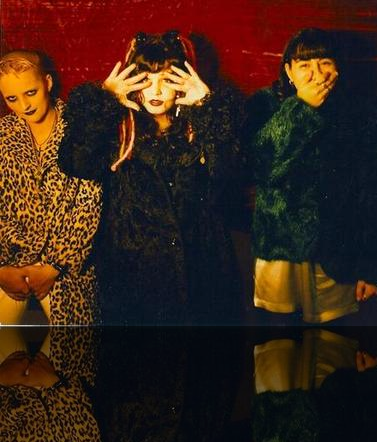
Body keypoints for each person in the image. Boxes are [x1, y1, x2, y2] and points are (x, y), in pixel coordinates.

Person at [59, 31, 241, 325]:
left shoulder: (198, 126)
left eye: (166, 80)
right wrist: (104, 99)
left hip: (200, 266)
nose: (155, 91)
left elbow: (228, 177)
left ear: (184, 80)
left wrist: (207, 106)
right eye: (145, 80)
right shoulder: (119, 127)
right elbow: (76, 164)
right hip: (134, 269)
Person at [244, 28, 377, 323]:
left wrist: (372, 267)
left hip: (340, 253)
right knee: (277, 342)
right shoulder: (264, 105)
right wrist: (301, 108)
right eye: (304, 65)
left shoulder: (361, 112)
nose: (316, 74)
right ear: (289, 71)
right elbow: (262, 168)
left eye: (325, 62)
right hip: (279, 253)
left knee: (335, 342)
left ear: (338, 67)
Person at [0, 50, 102, 325]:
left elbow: (89, 204)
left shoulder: (79, 129)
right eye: (12, 98)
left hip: (67, 269)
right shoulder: (3, 134)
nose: (24, 105)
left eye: (30, 92)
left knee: (74, 348)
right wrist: (2, 270)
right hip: (10, 263)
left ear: (47, 82)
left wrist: (54, 267)